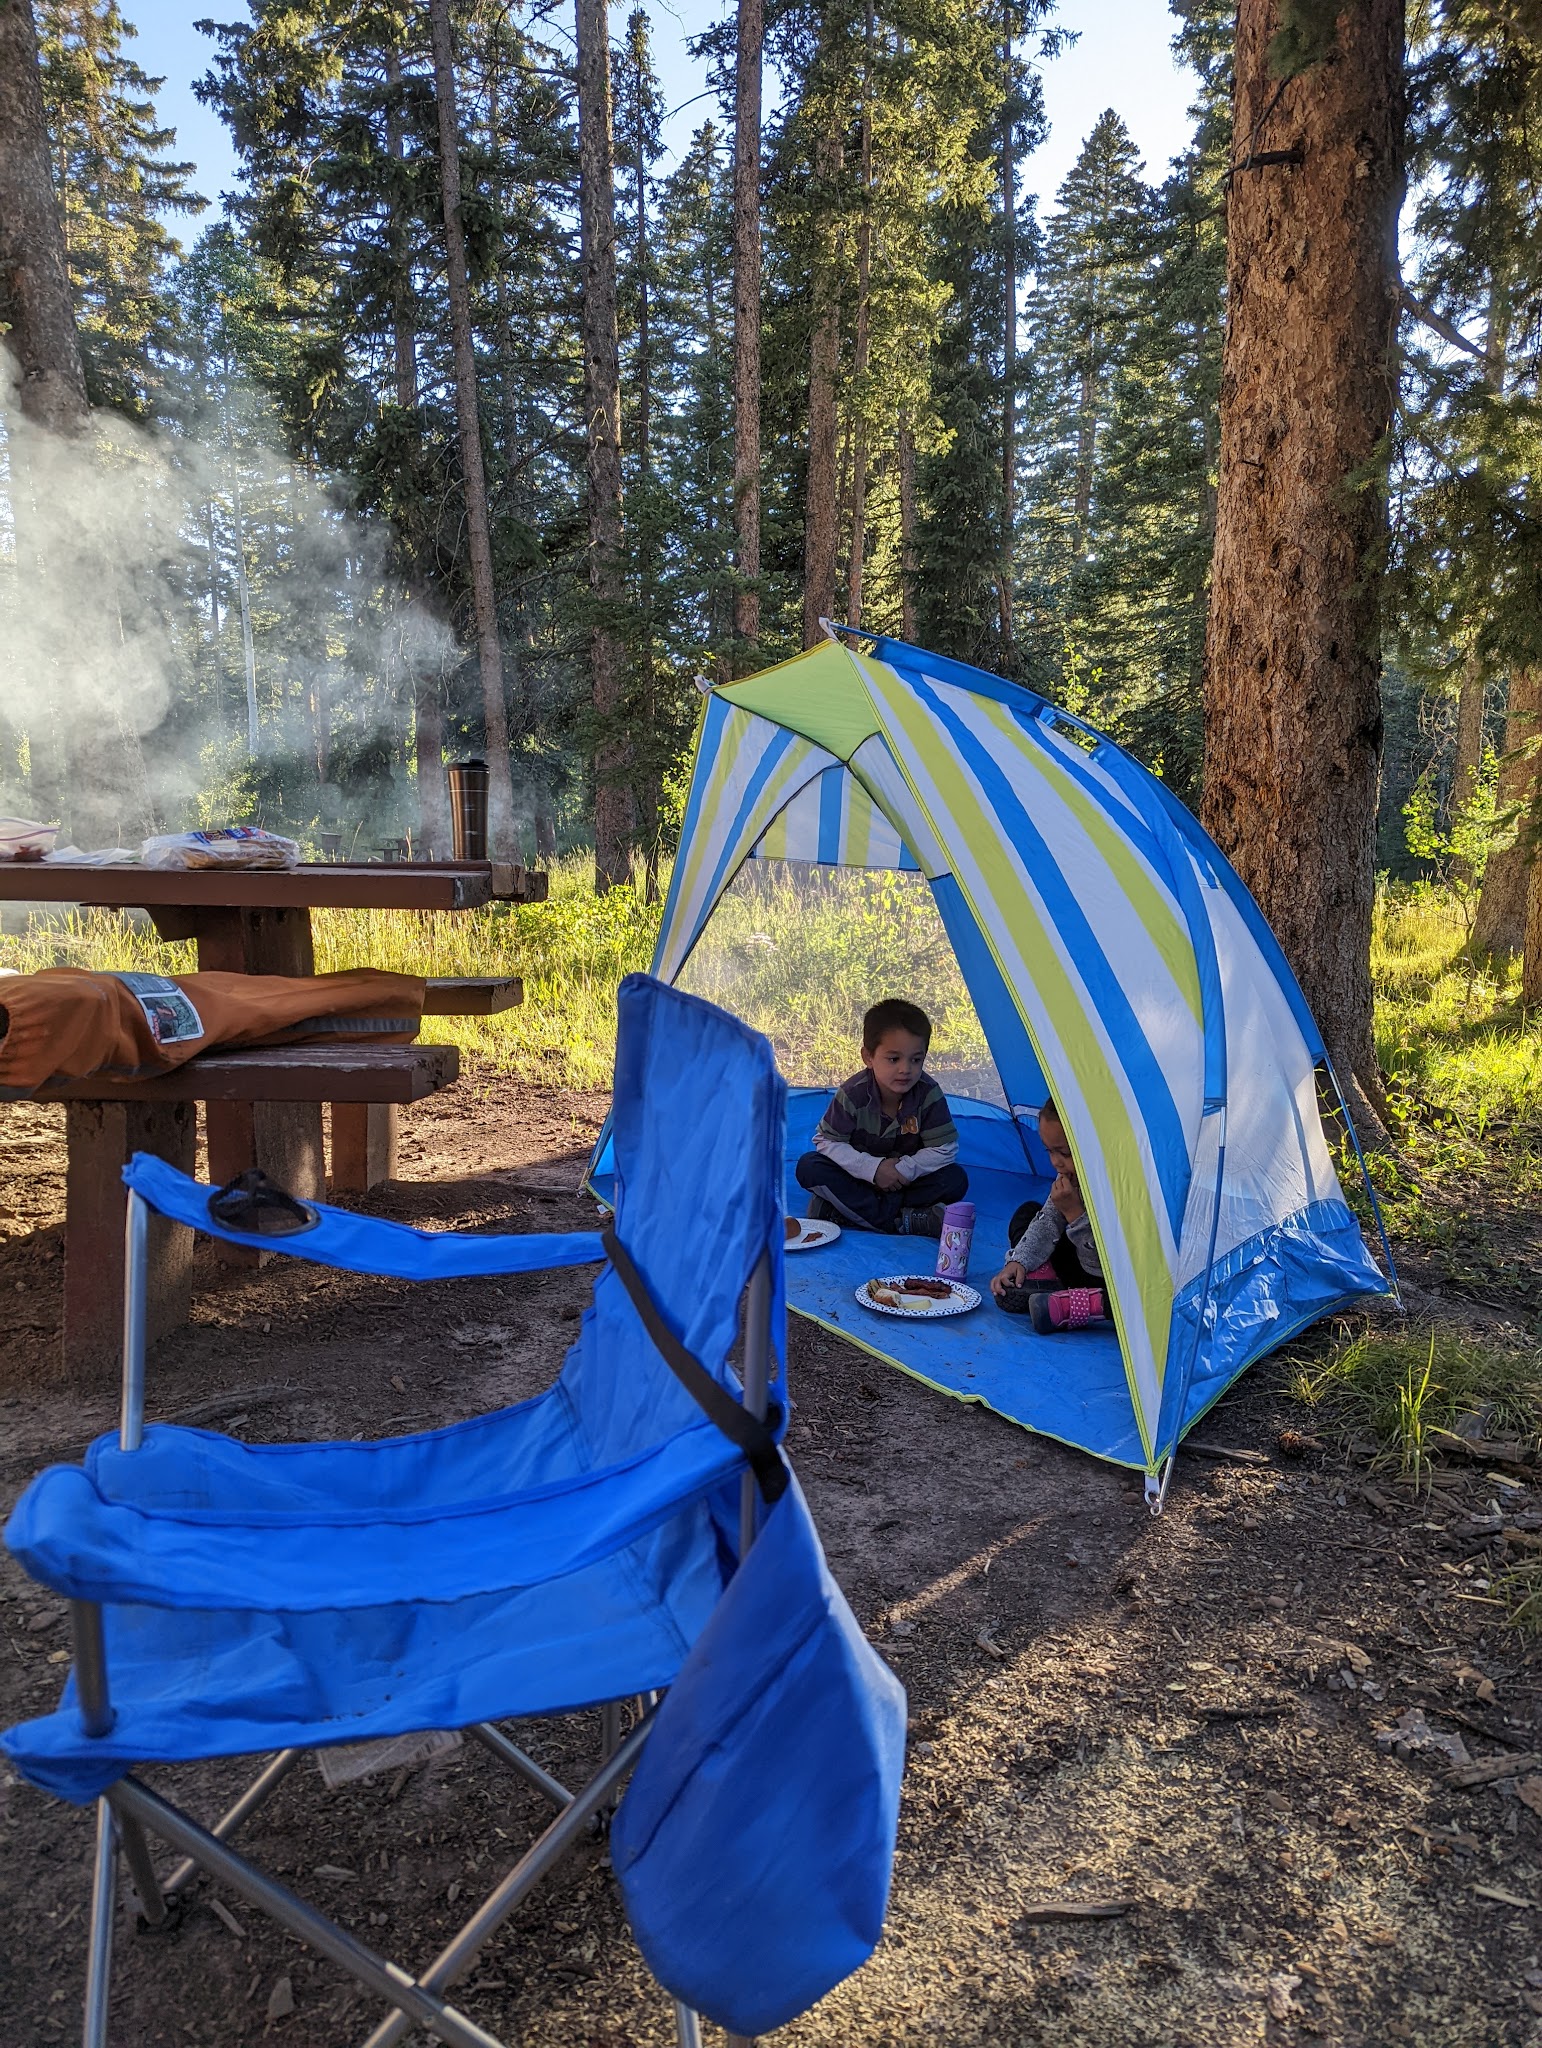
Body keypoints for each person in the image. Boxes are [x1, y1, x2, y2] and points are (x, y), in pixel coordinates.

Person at [795, 998, 968, 1236]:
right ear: (868, 1057)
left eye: (916, 1060)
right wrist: (874, 1169)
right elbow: (827, 1141)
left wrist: (903, 1170)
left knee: (955, 1179)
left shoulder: (928, 1094)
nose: (905, 1069)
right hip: (859, 1179)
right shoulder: (853, 1093)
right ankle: (903, 1221)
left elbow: (945, 1148)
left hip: (903, 1181)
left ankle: (839, 1212)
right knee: (809, 1166)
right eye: (894, 1059)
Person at [990, 1099, 1109, 1334]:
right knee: (1028, 1213)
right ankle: (1043, 1278)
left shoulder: (1111, 1186)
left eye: (1064, 1152)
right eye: (1049, 1151)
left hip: (1098, 1274)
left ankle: (1068, 1294)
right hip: (1073, 1261)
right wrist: (1018, 1260)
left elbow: (1101, 1266)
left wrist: (1075, 1213)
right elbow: (1047, 1220)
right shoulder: (1069, 1176)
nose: (1056, 1162)